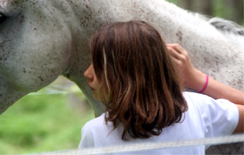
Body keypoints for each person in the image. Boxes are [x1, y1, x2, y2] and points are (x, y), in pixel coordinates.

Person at [79, 21, 243, 154]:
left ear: (126, 76)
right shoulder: (196, 109)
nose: (87, 73)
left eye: (99, 65)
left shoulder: (95, 133)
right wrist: (197, 80)